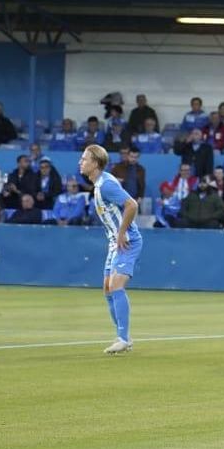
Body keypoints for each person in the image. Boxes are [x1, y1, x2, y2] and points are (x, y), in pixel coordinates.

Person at [80, 144, 143, 354]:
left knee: (116, 285)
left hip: (127, 240)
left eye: (85, 159)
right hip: (115, 242)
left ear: (95, 163)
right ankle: (123, 336)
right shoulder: (99, 184)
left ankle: (123, 339)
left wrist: (122, 232)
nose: (81, 162)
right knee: (108, 289)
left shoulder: (106, 185)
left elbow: (132, 204)